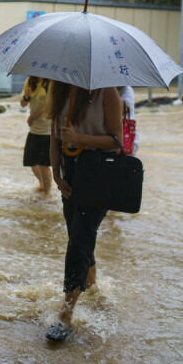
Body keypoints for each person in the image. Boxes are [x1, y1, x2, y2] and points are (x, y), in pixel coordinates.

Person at [44, 82, 123, 341]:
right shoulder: (60, 90)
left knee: (79, 240)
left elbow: (116, 140)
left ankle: (65, 316)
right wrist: (56, 175)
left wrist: (80, 138)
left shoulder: (107, 92)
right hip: (70, 175)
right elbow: (55, 139)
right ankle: (92, 285)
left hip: (99, 174)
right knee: (78, 236)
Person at [20, 76, 52, 194]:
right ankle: (43, 185)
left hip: (48, 129)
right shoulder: (29, 81)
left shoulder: (52, 83)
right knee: (31, 162)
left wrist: (32, 117)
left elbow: (50, 107)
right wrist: (26, 96)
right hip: (34, 129)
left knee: (43, 164)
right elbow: (23, 104)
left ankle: (47, 194)